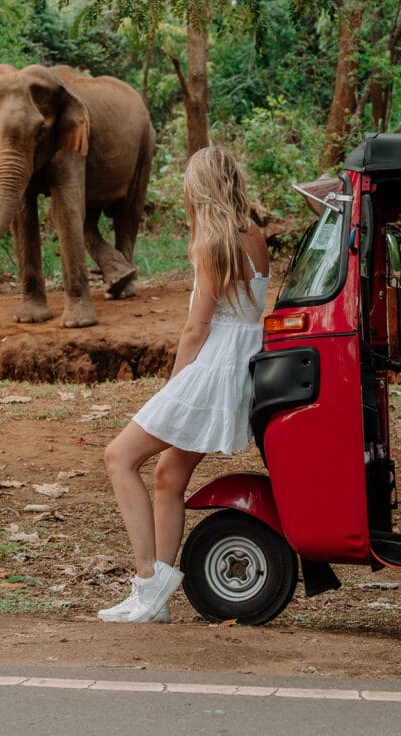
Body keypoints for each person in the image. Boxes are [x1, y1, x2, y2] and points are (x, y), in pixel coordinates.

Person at [99, 146, 271, 623]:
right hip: (240, 363)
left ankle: (147, 581)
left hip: (214, 366)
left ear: (201, 191)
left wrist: (173, 388)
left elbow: (196, 329)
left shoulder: (212, 245)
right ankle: (154, 598)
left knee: (119, 456)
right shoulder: (253, 235)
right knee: (168, 477)